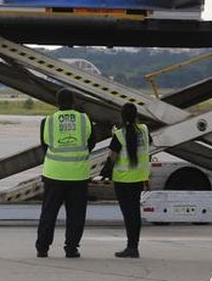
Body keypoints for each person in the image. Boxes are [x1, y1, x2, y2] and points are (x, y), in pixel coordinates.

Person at [36, 88, 95, 258]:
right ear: (74, 101)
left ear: (57, 102)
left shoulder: (48, 121)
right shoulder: (85, 119)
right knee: (76, 214)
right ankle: (71, 248)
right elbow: (91, 143)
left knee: (49, 212)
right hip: (78, 174)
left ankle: (42, 248)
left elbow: (44, 146)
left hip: (54, 173)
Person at [104, 102, 152, 258]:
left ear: (122, 117)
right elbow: (149, 145)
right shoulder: (144, 130)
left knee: (128, 214)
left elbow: (113, 156)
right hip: (138, 178)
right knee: (135, 213)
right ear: (136, 115)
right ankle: (134, 246)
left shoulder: (119, 135)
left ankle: (131, 247)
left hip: (123, 181)